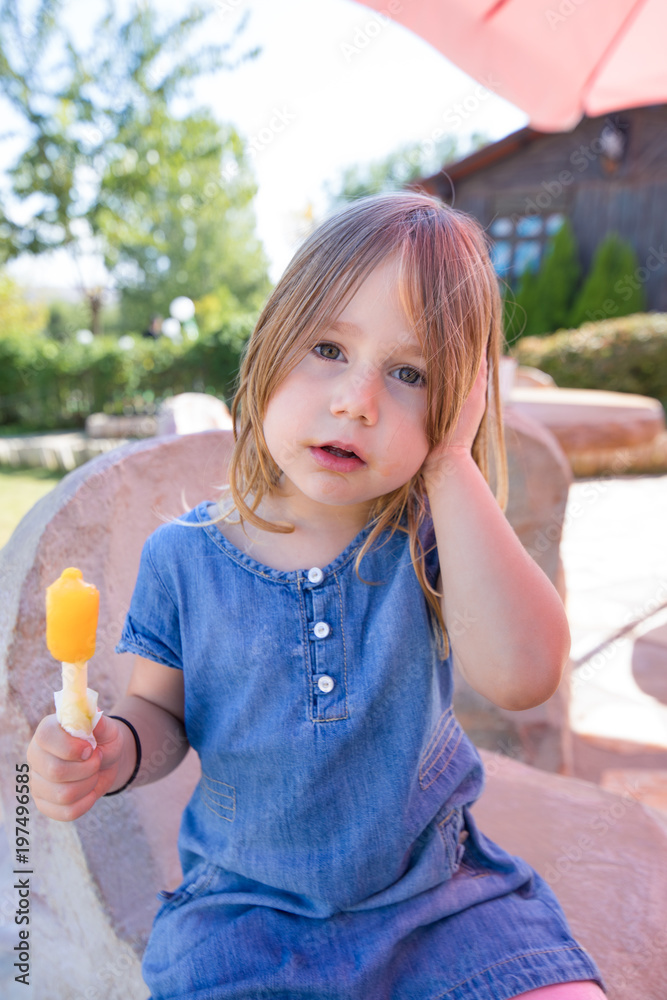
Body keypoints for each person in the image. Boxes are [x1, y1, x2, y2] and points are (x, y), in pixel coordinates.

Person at [27, 193, 606, 1000]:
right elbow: (157, 715)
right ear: (268, 347)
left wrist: (448, 465)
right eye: (329, 347)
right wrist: (113, 751)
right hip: (246, 918)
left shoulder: (430, 538)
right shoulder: (183, 560)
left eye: (411, 374)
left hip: (439, 901)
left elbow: (523, 674)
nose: (357, 400)